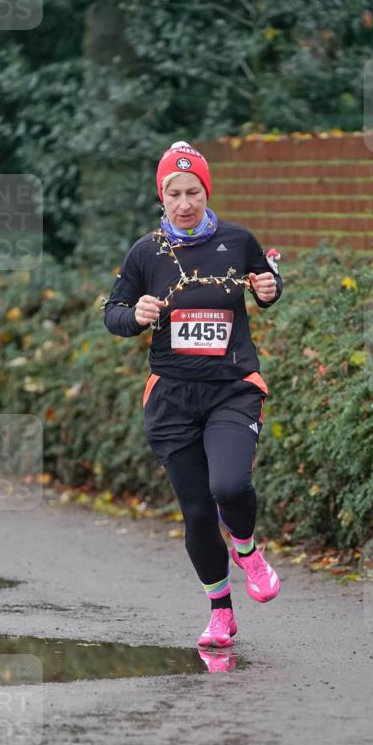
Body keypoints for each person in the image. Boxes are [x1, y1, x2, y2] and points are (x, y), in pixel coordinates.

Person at [103, 141, 284, 650]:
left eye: (193, 192)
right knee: (198, 513)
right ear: (161, 196)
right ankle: (221, 612)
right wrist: (133, 316)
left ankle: (247, 549)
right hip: (172, 400)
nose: (184, 203)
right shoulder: (147, 252)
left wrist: (270, 289)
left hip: (231, 389)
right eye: (173, 193)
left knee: (228, 486)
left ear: (207, 191)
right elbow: (112, 311)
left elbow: (267, 281)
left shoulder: (235, 239)